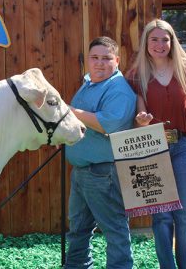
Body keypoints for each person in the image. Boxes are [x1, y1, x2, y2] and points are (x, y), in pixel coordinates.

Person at [126, 19, 186, 269]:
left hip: (183, 145)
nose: (160, 44)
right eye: (154, 39)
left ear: (172, 41)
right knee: (161, 217)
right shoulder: (136, 75)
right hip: (152, 148)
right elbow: (137, 119)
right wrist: (141, 120)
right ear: (146, 42)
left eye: (165, 39)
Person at [65, 36, 137, 269]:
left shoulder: (118, 89)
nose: (100, 63)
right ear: (87, 60)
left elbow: (109, 124)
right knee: (78, 228)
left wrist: (71, 111)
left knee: (114, 228)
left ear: (117, 60)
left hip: (103, 172)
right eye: (94, 58)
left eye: (106, 58)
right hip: (83, 170)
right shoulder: (90, 83)